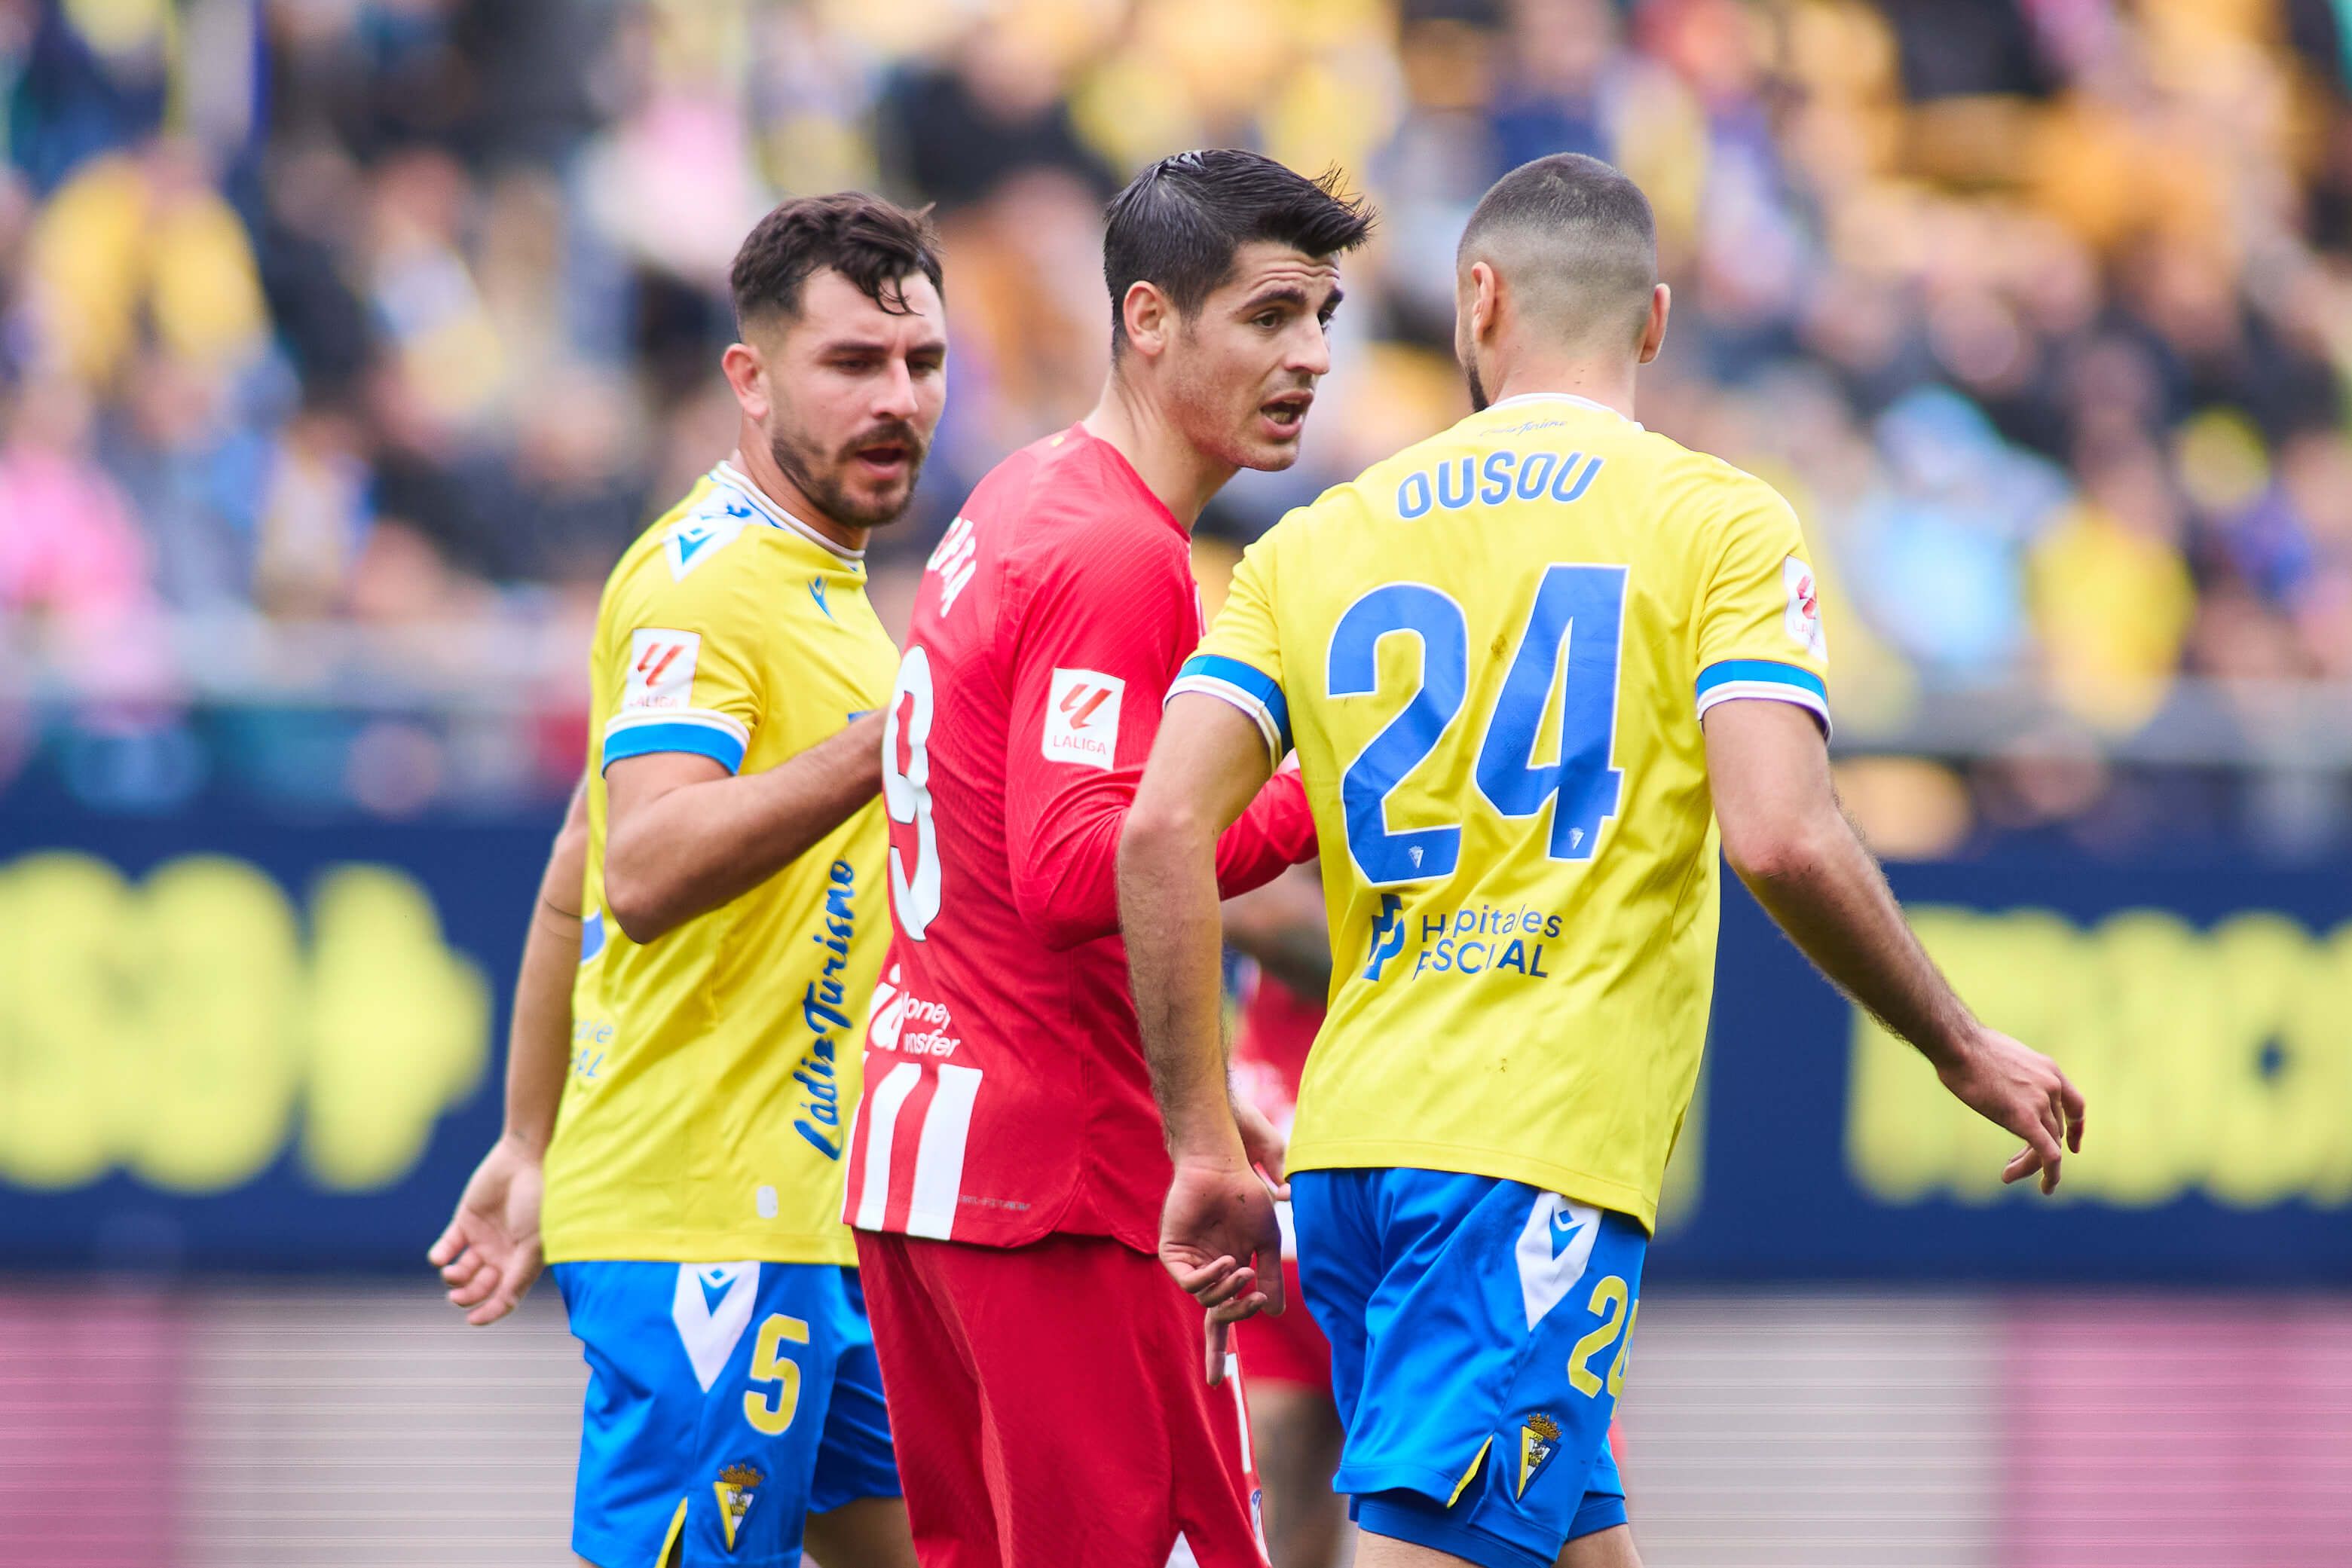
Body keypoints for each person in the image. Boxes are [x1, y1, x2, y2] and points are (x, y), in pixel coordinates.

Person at [1119, 153, 2087, 1568]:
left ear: (1476, 304)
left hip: (1351, 1153)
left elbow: (1157, 831)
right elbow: (1779, 828)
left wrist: (1201, 1137)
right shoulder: (1715, 520)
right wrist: (1953, 1044)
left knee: (1575, 1534)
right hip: (1528, 1152)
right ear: (1654, 321)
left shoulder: (1317, 539)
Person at [839, 150, 1371, 1567]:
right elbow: (1089, 867)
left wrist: (1184, 1086)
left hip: (935, 1154)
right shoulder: (1117, 555)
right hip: (1053, 1189)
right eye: (1267, 317)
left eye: (1323, 315)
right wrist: (1313, 791)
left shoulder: (1023, 498)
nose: (1309, 356)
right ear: (1148, 319)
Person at [427, 192, 947, 1568]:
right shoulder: (702, 584)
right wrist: (879, 750)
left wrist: (528, 1144)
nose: (897, 398)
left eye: (920, 363)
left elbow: (570, 876)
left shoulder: (826, 589)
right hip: (706, 1226)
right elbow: (645, 868)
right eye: (851, 364)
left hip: (821, 1216)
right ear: (751, 376)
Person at [1222, 864, 1351, 1568]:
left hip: (1396, 1209)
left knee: (1539, 1512)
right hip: (1282, 1225)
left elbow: (1282, 924)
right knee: (1275, 1543)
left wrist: (1184, 859)